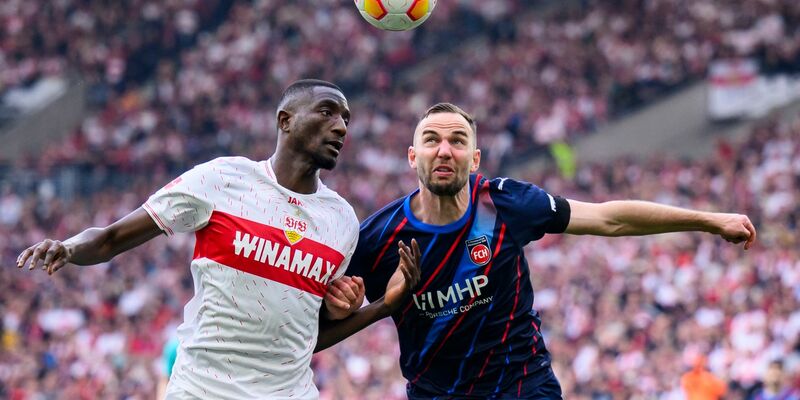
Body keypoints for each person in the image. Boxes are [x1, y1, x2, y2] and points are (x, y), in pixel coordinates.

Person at [316, 103, 757, 399]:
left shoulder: (505, 203)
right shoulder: (378, 238)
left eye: (458, 140)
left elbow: (608, 218)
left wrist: (708, 219)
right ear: (413, 157)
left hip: (524, 387)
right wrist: (341, 307)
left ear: (475, 158)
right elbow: (315, 329)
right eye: (431, 140)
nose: (444, 150)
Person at [15, 79, 419, 400]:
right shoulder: (223, 179)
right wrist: (68, 247)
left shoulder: (342, 220)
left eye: (346, 118)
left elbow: (307, 337)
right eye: (327, 112)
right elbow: (111, 238)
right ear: (285, 121)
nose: (341, 126)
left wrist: (376, 307)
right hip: (202, 389)